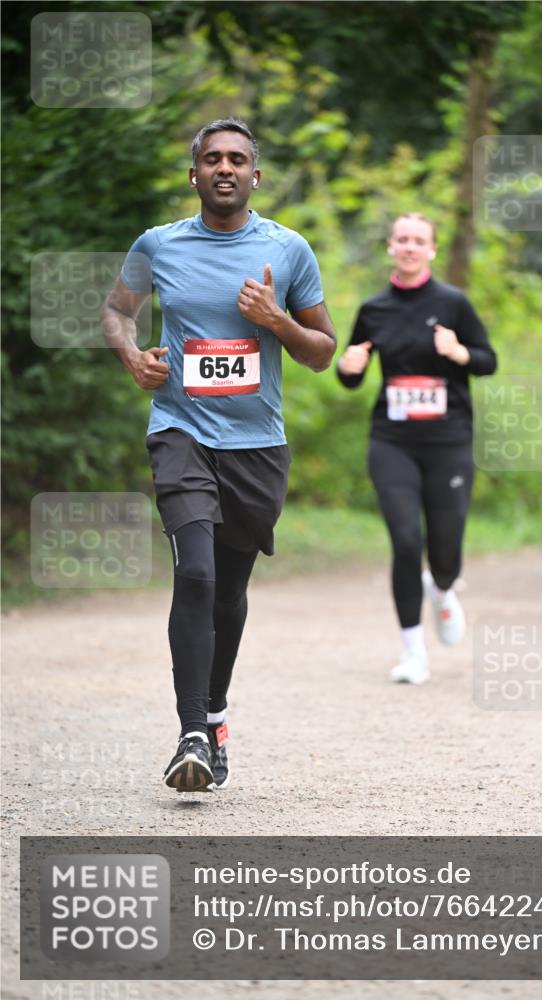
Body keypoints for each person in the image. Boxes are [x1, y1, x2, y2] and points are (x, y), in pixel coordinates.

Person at [101, 118, 336, 790]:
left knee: (228, 590)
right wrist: (131, 357)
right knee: (196, 577)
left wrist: (275, 321)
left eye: (237, 159)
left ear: (255, 176)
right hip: (180, 431)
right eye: (212, 159)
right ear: (194, 174)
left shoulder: (288, 250)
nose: (224, 168)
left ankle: (216, 708)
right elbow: (117, 309)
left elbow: (321, 352)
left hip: (257, 446)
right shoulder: (159, 245)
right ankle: (191, 735)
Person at [336, 213, 496, 684]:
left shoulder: (453, 304)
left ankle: (443, 590)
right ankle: (412, 653)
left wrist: (459, 353)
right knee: (406, 541)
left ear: (432, 249)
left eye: (418, 240)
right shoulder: (374, 309)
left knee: (445, 549)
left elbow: (488, 361)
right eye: (401, 239)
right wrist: (349, 366)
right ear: (390, 247)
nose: (409, 246)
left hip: (448, 441)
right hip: (393, 440)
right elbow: (351, 376)